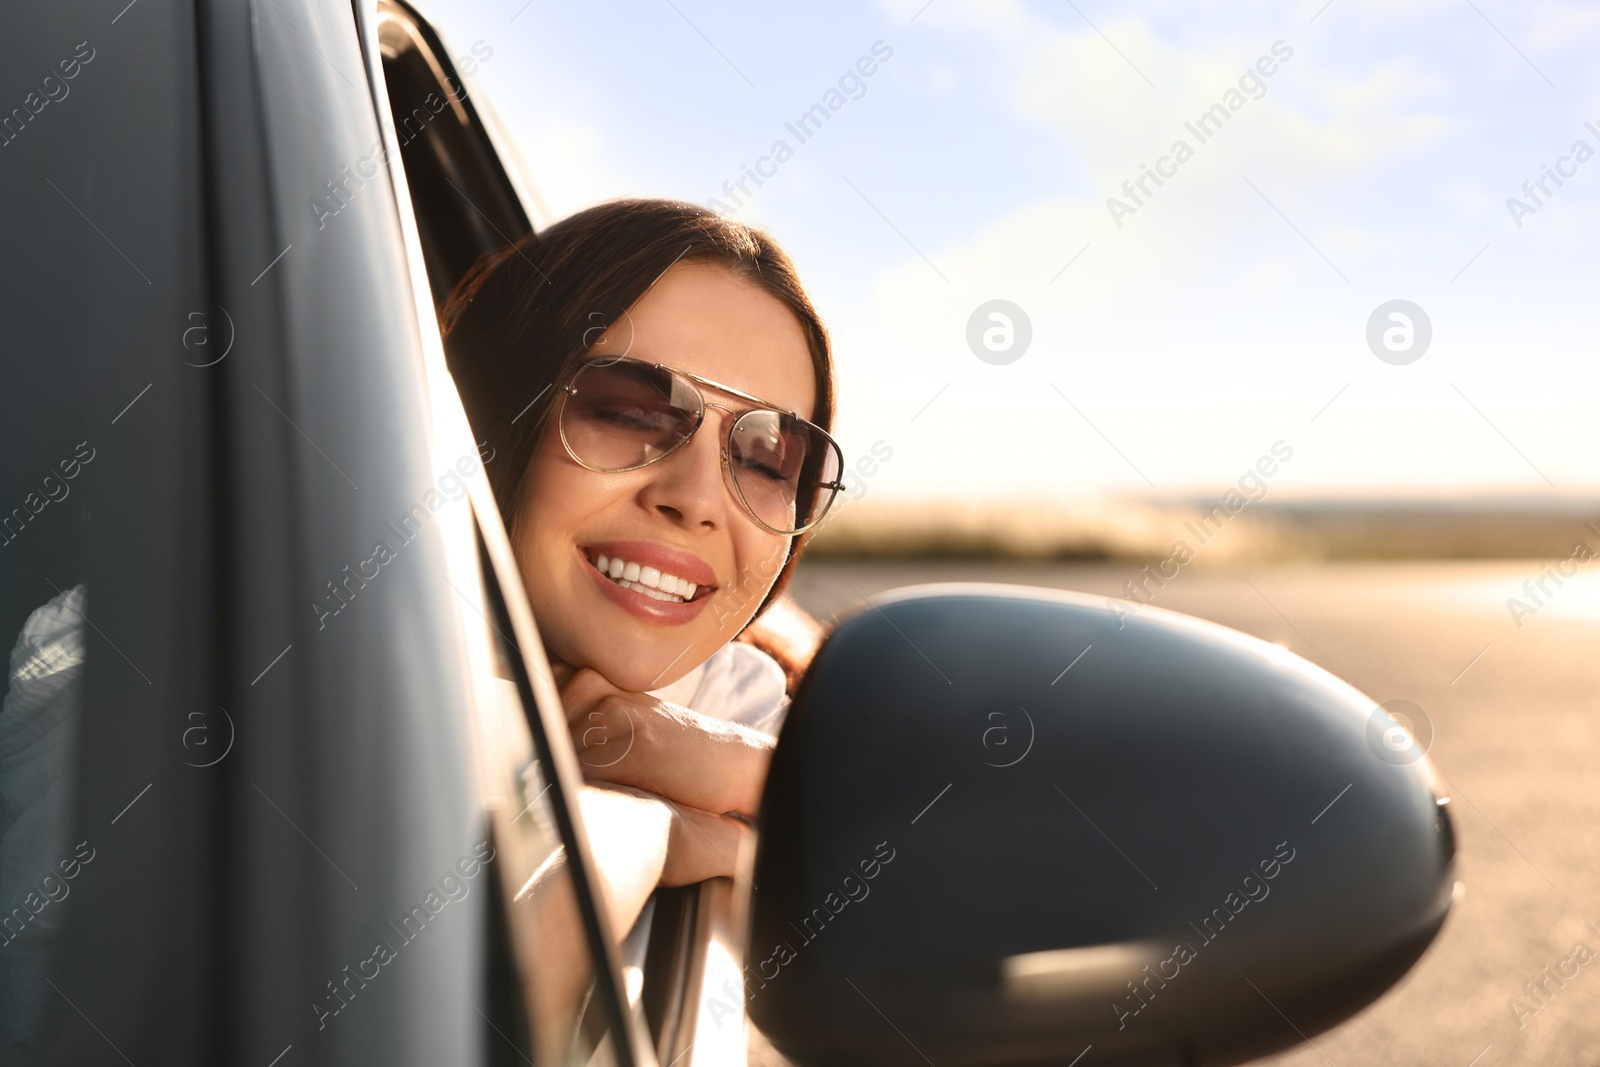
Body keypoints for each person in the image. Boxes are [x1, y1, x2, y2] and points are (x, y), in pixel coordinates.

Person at [441, 197, 843, 1048]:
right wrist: (650, 826)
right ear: (483, 423)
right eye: (628, 408)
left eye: (771, 454)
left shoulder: (767, 699)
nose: (695, 498)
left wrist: (682, 755)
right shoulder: (311, 693)